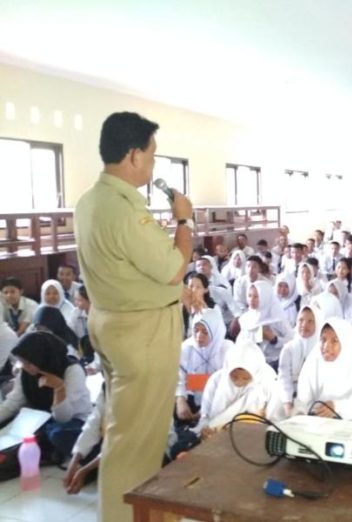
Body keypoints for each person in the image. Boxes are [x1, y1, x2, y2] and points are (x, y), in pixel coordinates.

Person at [74, 112, 193, 522]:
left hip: (112, 325)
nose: (154, 164)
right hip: (141, 334)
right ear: (133, 155)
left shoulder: (91, 202)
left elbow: (131, 264)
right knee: (135, 445)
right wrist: (183, 219)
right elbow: (175, 267)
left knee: (126, 434)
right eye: (153, 155)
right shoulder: (125, 209)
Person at [0, 332, 92, 462]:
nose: (25, 367)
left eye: (28, 363)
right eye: (22, 363)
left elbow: (63, 418)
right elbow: (13, 403)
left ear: (41, 357)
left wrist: (59, 388)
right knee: (8, 424)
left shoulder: (72, 370)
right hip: (40, 419)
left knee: (57, 434)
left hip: (72, 421)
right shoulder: (26, 372)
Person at [294, 317, 352, 422]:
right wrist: (301, 415)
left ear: (345, 343)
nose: (326, 346)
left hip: (350, 432)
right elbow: (302, 402)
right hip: (316, 428)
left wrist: (337, 407)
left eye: (335, 341)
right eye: (323, 339)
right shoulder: (312, 364)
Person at [196, 340, 275, 439]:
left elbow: (273, 420)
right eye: (234, 377)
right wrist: (205, 429)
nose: (239, 382)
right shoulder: (216, 381)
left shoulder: (266, 386)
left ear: (255, 374)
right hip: (216, 435)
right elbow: (205, 415)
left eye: (246, 378)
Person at [175, 309, 232, 425]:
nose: (199, 336)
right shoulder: (186, 348)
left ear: (215, 332)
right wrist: (180, 399)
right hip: (192, 400)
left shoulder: (228, 350)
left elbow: (229, 386)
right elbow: (178, 376)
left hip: (219, 403)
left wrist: (206, 410)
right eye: (196, 331)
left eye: (205, 332)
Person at [275, 305, 322, 418]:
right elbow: (284, 378)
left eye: (310, 321)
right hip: (290, 395)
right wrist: (287, 403)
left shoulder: (321, 350)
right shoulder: (289, 349)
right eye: (301, 320)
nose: (304, 325)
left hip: (314, 398)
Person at [237, 280, 292, 369]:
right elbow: (240, 341)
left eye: (256, 296)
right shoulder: (247, 318)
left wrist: (274, 340)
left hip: (275, 363)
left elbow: (291, 341)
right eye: (250, 296)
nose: (251, 300)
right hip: (252, 363)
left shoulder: (277, 318)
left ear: (265, 297)